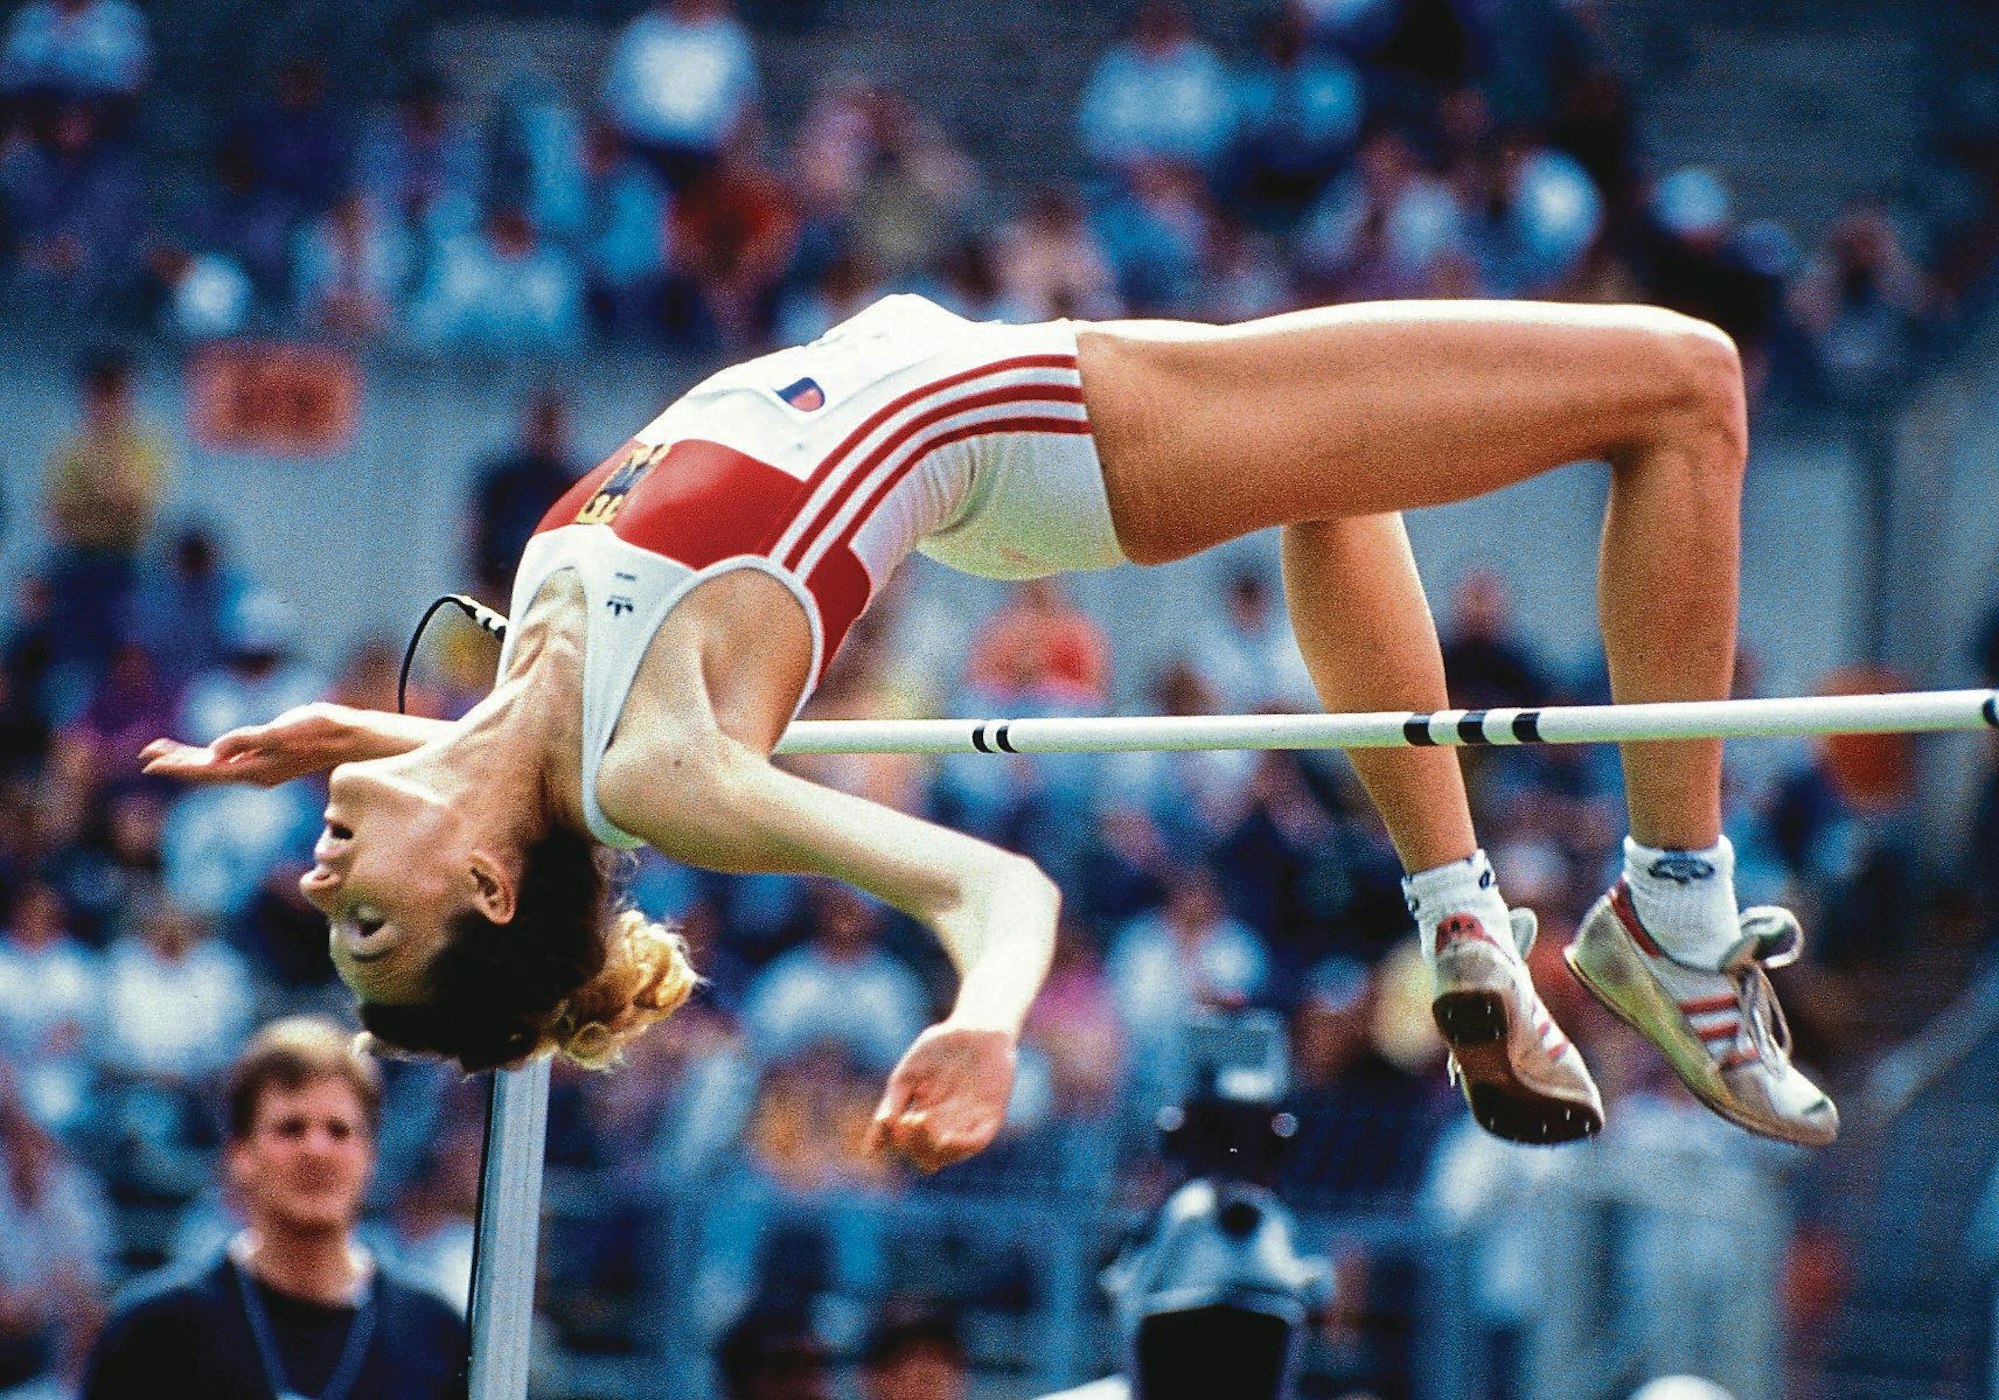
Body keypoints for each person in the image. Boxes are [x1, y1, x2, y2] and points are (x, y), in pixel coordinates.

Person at [140, 289, 1836, 1174]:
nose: (312, 894)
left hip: (1016, 438)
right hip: (1064, 433)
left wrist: (360, 735)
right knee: (1681, 387)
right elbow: (991, 895)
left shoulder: (528, 705)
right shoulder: (651, 767)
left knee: (1347, 480)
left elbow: (521, 763)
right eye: (371, 925)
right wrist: (984, 1021)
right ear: (492, 892)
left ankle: (1458, 914)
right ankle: (1670, 917)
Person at [81, 1015, 467, 1400]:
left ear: (370, 1155)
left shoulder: (433, 1333)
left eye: (339, 1130)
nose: (316, 1151)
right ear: (239, 1154)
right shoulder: (153, 1333)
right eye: (291, 1128)